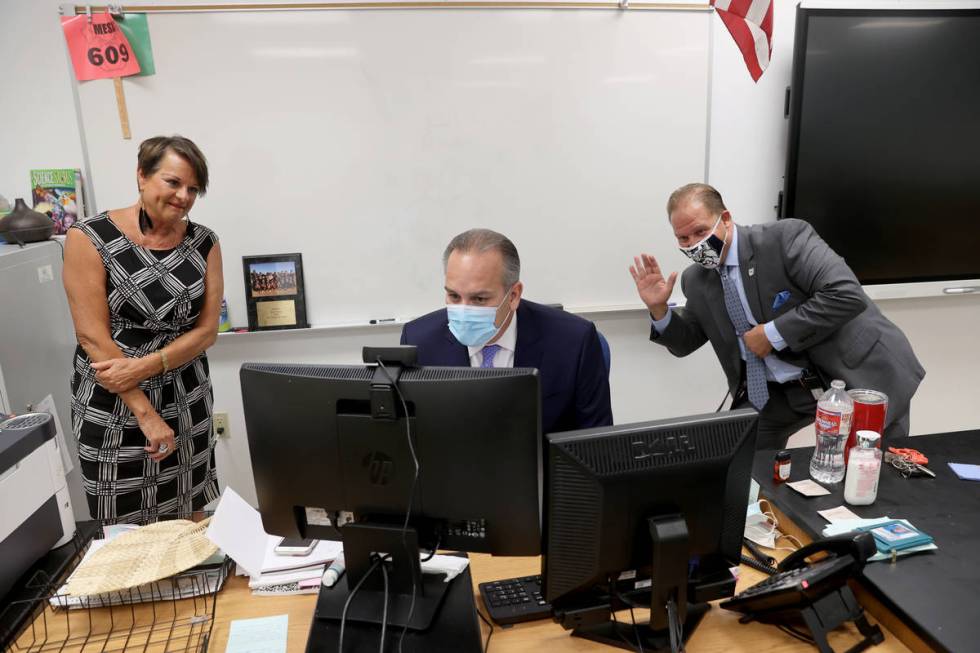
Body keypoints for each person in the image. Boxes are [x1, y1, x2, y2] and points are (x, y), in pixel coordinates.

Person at [630, 183, 924, 450]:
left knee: (871, 469)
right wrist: (659, 309)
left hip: (854, 372)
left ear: (727, 218)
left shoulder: (784, 239)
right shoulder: (696, 279)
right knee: (742, 466)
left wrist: (771, 334)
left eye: (701, 232)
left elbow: (845, 294)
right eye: (683, 238)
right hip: (778, 392)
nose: (694, 245)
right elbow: (686, 342)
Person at [63, 135, 223, 524]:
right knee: (124, 528)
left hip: (187, 396)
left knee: (189, 514)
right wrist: (146, 414)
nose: (184, 196)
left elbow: (206, 332)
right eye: (173, 182)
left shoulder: (204, 242)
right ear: (141, 176)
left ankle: (198, 585)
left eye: (193, 189)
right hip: (113, 400)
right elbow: (92, 337)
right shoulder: (90, 237)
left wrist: (147, 365)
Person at [401, 228, 612, 435]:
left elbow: (596, 447)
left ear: (513, 296)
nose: (464, 310)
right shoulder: (419, 341)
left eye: (479, 299)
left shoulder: (574, 341)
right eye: (454, 296)